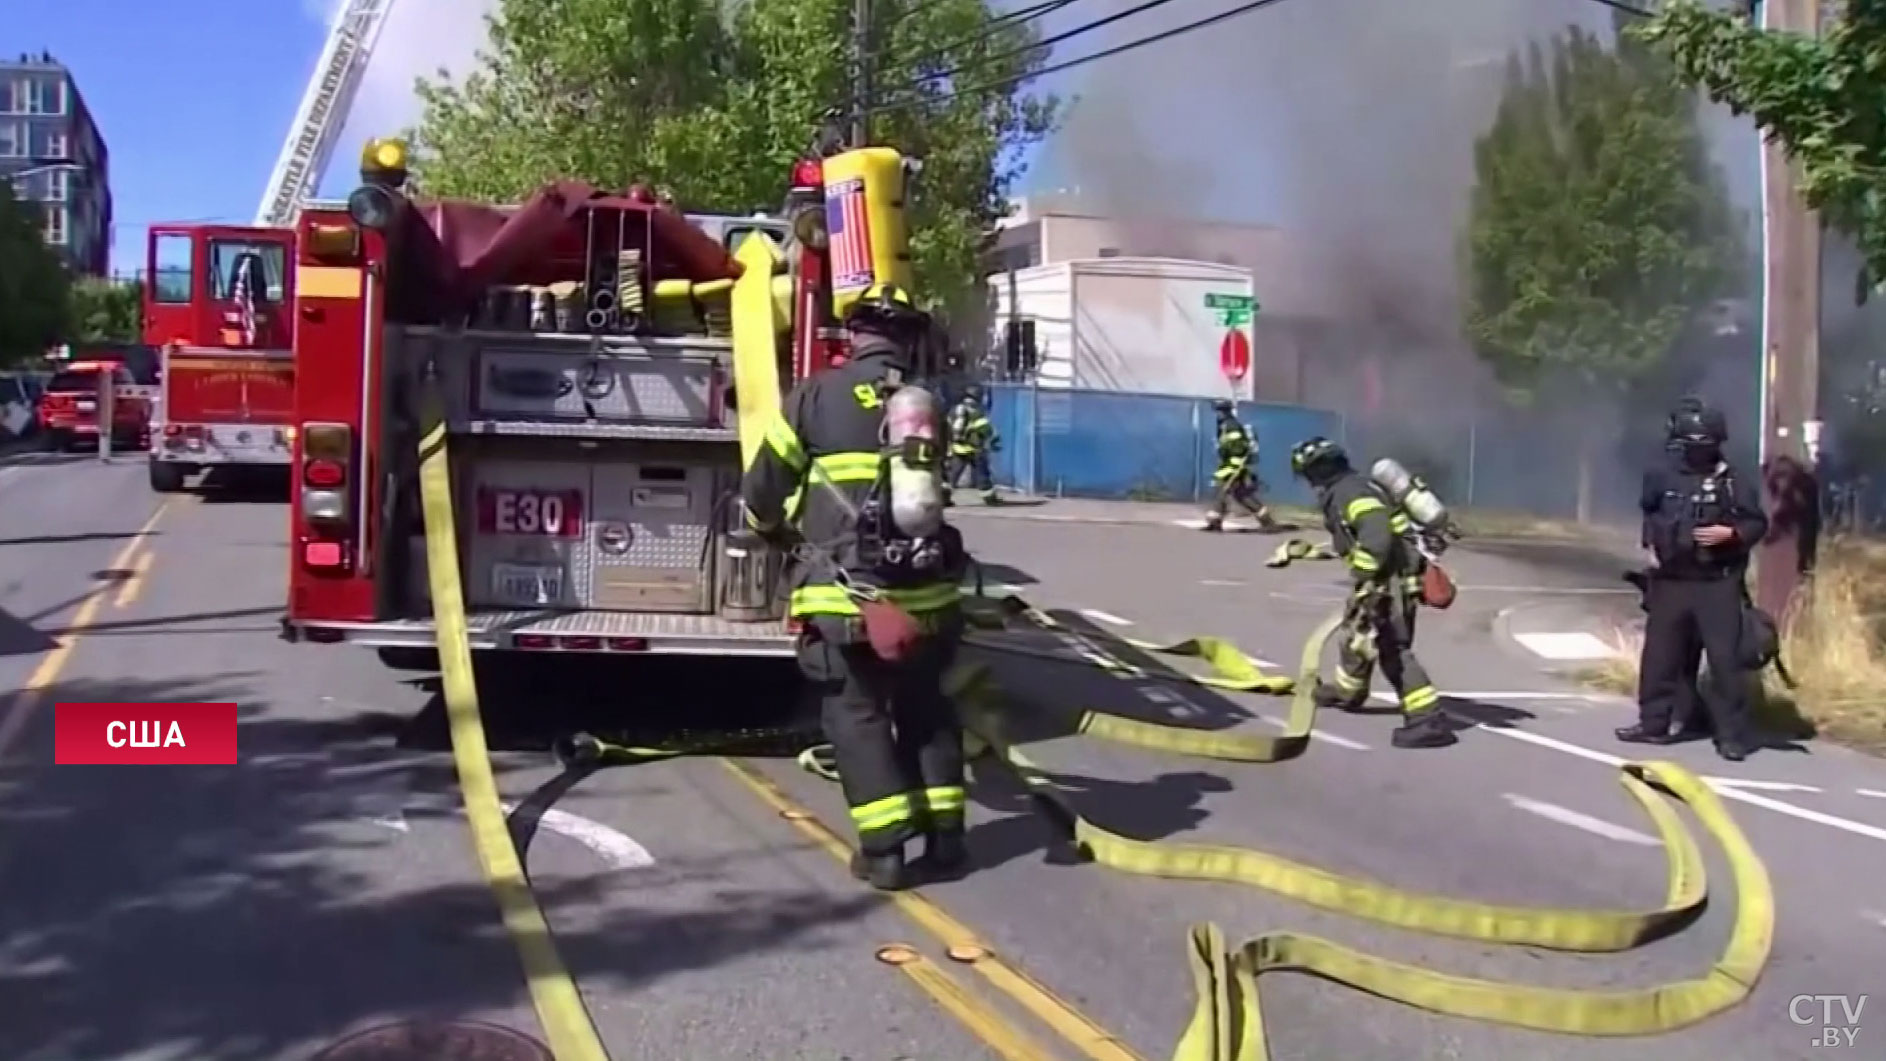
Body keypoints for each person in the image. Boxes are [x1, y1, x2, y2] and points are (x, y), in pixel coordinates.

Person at [740, 283, 970, 890]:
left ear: (853, 336)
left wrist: (771, 531)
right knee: (929, 708)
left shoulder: (815, 395)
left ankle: (886, 850)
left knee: (857, 714)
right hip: (930, 597)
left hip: (849, 598)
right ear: (904, 339)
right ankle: (948, 838)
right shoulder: (926, 404)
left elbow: (761, 489)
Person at [1617, 399, 1767, 761]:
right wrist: (1650, 549)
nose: (1691, 451)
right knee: (1660, 657)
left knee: (1724, 660)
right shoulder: (1661, 476)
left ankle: (1731, 735)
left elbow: (1756, 523)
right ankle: (1653, 724)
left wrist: (1729, 534)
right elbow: (1649, 512)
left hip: (1717, 582)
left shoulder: (1733, 481)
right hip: (1670, 581)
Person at [1290, 436, 1455, 749]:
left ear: (1317, 472)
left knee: (1393, 648)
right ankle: (1347, 690)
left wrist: (1365, 573)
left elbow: (1376, 531)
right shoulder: (1355, 486)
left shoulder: (1347, 492)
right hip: (1386, 575)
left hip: (1388, 580)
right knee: (1357, 633)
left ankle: (1427, 719)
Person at [1202, 400, 1282, 532]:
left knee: (1223, 489)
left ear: (1225, 411)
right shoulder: (1225, 425)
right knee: (1241, 494)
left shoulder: (1231, 426)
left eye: (1220, 411)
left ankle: (1216, 522)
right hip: (1230, 464)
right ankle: (1266, 520)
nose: (1218, 414)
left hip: (1234, 465)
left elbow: (1237, 448)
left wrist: (1236, 467)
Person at [945, 386, 1001, 506]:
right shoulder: (976, 411)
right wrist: (994, 439)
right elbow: (985, 428)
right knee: (982, 475)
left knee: (952, 475)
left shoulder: (955, 410)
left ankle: (943, 498)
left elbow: (948, 426)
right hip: (975, 450)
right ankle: (990, 499)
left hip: (958, 448)